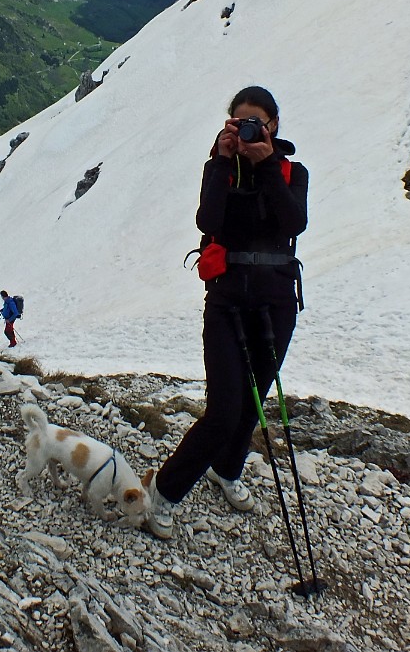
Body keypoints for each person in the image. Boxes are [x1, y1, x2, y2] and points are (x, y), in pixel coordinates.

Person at [147, 85, 309, 539]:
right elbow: (208, 221)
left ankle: (227, 469)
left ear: (273, 125)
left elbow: (293, 222)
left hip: (276, 303)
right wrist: (223, 161)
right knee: (223, 410)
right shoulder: (220, 168)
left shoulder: (292, 172)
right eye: (239, 122)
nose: (249, 129)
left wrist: (265, 166)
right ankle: (164, 491)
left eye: (257, 121)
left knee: (251, 405)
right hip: (226, 302)